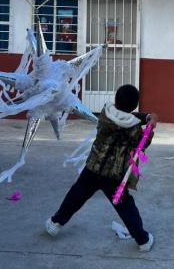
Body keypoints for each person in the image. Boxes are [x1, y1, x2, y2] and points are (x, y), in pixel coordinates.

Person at [45, 84, 159, 252]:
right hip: (114, 176)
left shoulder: (105, 113)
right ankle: (143, 241)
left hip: (93, 169)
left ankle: (55, 223)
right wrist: (149, 126)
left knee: (75, 197)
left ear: (115, 100)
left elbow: (127, 116)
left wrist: (146, 117)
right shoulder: (134, 129)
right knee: (126, 207)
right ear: (135, 105)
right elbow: (142, 143)